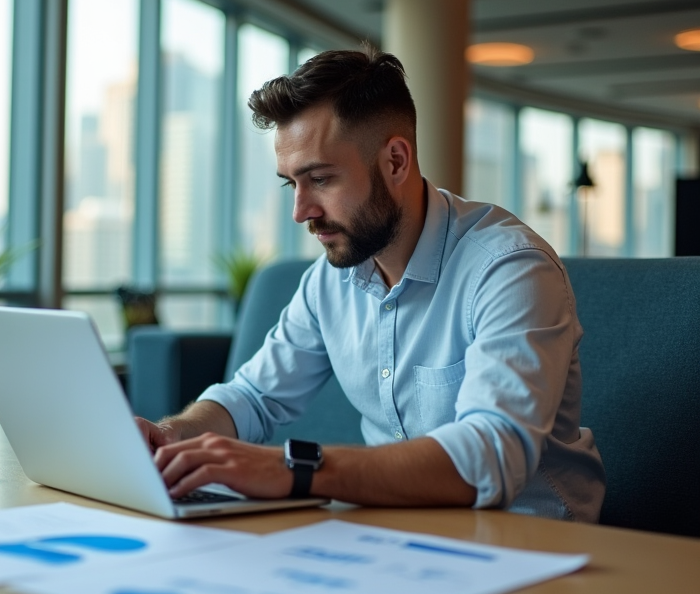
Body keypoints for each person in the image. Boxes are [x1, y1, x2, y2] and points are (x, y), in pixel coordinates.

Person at [136, 46, 605, 521]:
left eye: (320, 178)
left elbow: (491, 455)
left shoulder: (510, 269)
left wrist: (295, 469)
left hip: (531, 548)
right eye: (290, 184)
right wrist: (174, 435)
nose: (301, 211)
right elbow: (254, 397)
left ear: (396, 162)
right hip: (393, 537)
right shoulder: (329, 281)